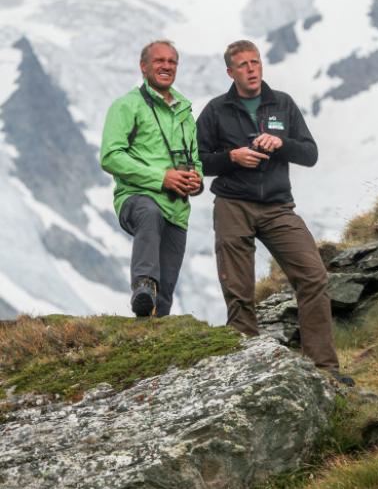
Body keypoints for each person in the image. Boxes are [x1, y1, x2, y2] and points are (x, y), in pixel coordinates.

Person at [196, 39, 352, 384]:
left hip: (278, 206)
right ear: (230, 72)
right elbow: (198, 161)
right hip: (233, 204)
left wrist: (281, 144)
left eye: (255, 62)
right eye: (243, 65)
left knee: (313, 276)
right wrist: (232, 158)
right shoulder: (216, 110)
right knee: (239, 291)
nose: (251, 69)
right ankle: (246, 373)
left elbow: (309, 154)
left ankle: (324, 370)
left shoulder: (282, 103)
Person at [100, 40, 203, 317]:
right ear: (143, 67)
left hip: (177, 210)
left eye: (172, 61)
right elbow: (110, 156)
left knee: (162, 303)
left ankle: (149, 330)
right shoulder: (126, 105)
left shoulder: (185, 113)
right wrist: (162, 178)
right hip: (137, 199)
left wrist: (197, 180)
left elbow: (195, 159)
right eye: (159, 61)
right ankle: (143, 283)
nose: (166, 66)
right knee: (149, 211)